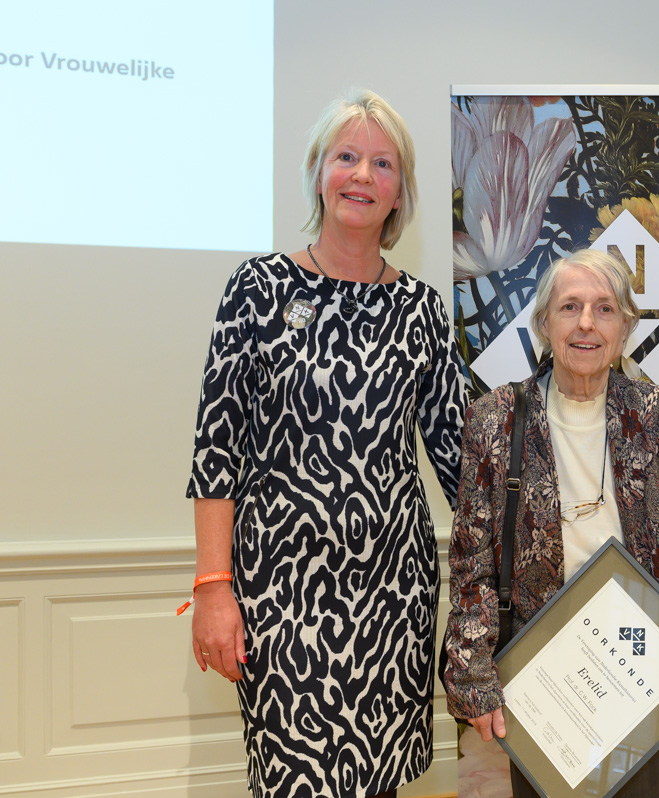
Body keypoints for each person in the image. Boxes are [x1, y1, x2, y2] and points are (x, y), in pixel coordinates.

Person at [185, 89, 465, 798]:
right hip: (282, 594)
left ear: (401, 193)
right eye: (347, 157)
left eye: (382, 163)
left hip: (393, 595)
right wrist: (214, 589)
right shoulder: (257, 289)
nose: (362, 176)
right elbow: (215, 451)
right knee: (293, 783)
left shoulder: (422, 312)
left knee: (377, 785)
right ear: (319, 172)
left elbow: (464, 461)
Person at [442, 248, 659, 797]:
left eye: (604, 308)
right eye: (570, 307)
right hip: (547, 673)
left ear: (625, 327)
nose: (587, 323)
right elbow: (471, 559)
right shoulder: (495, 418)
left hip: (645, 659)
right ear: (544, 323)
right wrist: (473, 674)